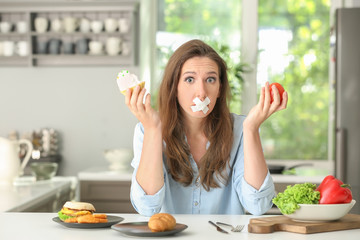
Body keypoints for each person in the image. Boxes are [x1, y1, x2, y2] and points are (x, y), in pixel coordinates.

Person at [124, 39, 288, 217]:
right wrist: (154, 131)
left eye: (210, 79)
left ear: (219, 89)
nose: (201, 92)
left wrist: (251, 128)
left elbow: (259, 206)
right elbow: (147, 207)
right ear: (174, 87)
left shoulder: (240, 130)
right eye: (189, 79)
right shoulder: (147, 130)